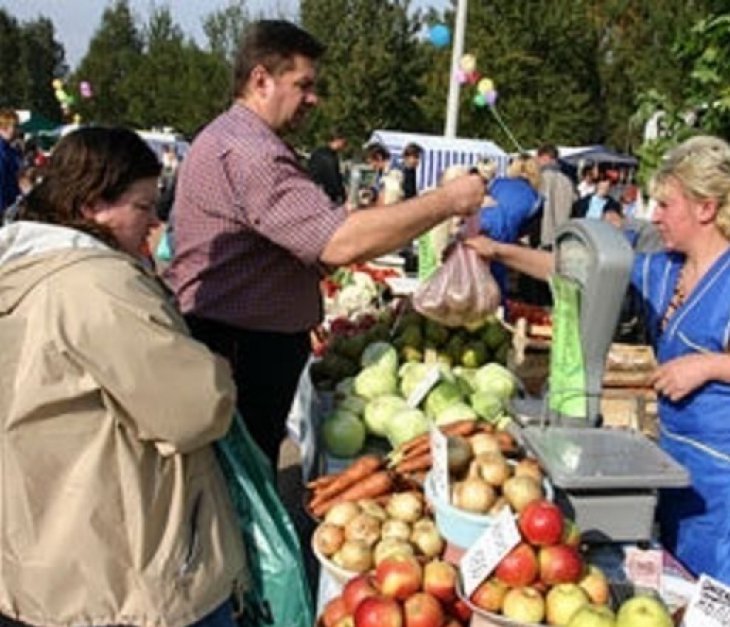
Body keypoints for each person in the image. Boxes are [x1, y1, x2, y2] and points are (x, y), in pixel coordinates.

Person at [466, 135, 730, 603]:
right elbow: (575, 267)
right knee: (686, 606)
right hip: (680, 469)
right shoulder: (664, 269)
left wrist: (709, 365)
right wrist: (497, 252)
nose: (654, 216)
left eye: (665, 204)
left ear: (705, 208)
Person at [167, 20, 486, 469]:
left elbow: (313, 231)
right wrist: (446, 201)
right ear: (261, 80)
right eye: (304, 85)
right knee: (236, 480)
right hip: (242, 347)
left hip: (235, 337)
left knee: (233, 477)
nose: (313, 98)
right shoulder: (251, 152)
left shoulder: (232, 138)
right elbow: (337, 243)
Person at [0, 126, 246, 627]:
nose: (154, 221)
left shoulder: (26, 268)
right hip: (122, 556)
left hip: (52, 538)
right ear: (92, 205)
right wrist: (215, 372)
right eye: (142, 206)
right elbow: (193, 410)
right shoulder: (96, 284)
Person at [479, 154, 542, 299]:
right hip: (502, 240)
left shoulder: (496, 183)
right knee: (496, 289)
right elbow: (526, 230)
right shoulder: (536, 199)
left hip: (480, 231)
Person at [308, 130, 348, 205]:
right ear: (338, 140)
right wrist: (342, 195)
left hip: (312, 193)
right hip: (326, 196)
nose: (344, 145)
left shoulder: (317, 152)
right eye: (344, 143)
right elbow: (333, 177)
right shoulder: (330, 157)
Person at [0, 108, 22, 214]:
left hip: (10, 203)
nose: (16, 130)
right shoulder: (3, 150)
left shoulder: (11, 150)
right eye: (14, 126)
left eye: (16, 126)